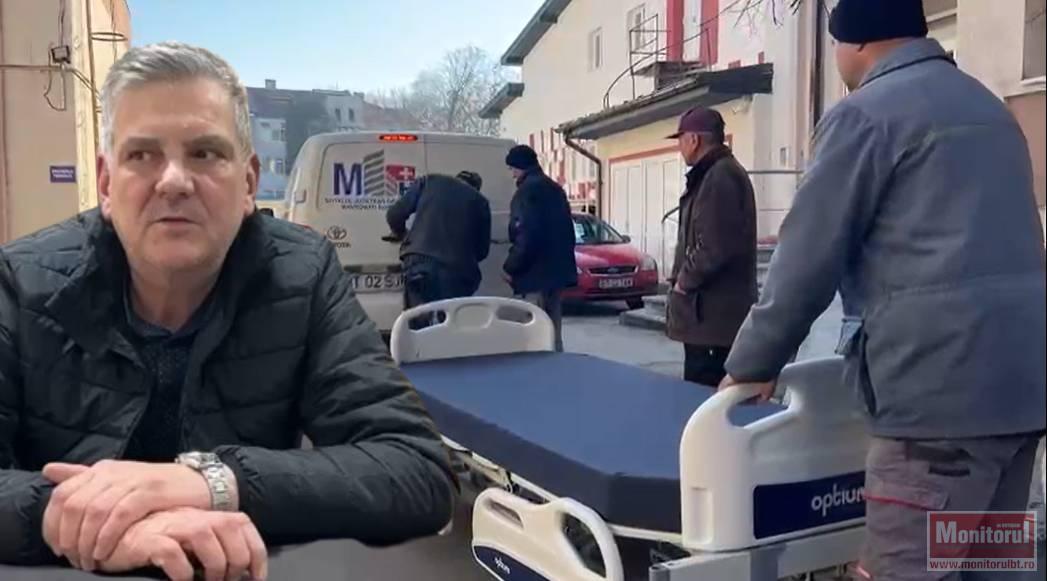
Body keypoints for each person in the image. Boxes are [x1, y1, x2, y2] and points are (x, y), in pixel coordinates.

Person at [0, 42, 456, 579]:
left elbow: (417, 469)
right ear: (105, 183)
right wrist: (87, 520)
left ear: (248, 183)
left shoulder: (301, 275)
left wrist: (211, 482)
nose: (173, 180)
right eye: (142, 155)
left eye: (205, 153)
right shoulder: (21, 281)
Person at [719, 1, 1047, 578]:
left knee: (900, 569)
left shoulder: (866, 116)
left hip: (936, 409)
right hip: (1020, 398)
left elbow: (807, 255)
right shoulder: (990, 110)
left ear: (857, 43)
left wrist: (753, 363)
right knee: (989, 566)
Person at [665, 107, 757, 386]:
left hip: (713, 320)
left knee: (704, 395)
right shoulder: (713, 174)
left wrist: (683, 282)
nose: (680, 147)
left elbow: (714, 246)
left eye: (681, 139)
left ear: (694, 140)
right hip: (709, 320)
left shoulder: (719, 177)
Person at [503, 145, 577, 352]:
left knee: (534, 331)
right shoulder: (555, 189)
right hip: (557, 272)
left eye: (513, 169)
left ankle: (539, 367)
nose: (512, 174)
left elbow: (526, 235)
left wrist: (511, 267)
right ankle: (556, 364)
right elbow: (568, 231)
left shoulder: (526, 192)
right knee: (552, 330)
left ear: (520, 166)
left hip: (534, 274)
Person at [386, 170, 492, 310]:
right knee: (450, 317)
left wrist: (401, 233)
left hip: (419, 261)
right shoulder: (481, 202)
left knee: (418, 315)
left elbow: (394, 214)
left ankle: (420, 321)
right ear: (477, 188)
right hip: (456, 271)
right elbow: (482, 251)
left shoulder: (430, 181)